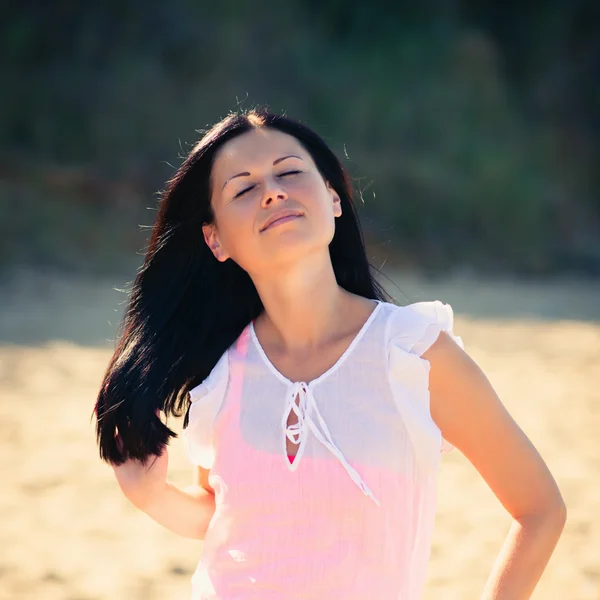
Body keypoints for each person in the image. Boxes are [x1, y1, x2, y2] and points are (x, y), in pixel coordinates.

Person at [94, 106, 566, 600]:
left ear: (333, 198)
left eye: (291, 172)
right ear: (215, 239)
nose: (273, 191)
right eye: (244, 188)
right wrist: (151, 496)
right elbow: (226, 515)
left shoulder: (413, 354)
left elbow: (539, 510)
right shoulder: (220, 372)